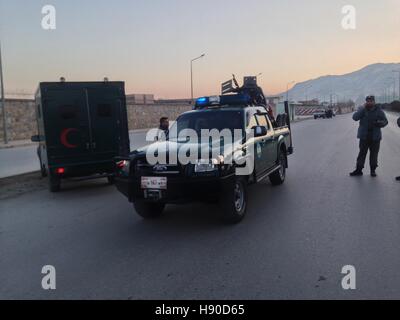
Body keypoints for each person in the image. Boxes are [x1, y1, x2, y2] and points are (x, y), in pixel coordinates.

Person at [350, 96, 388, 177]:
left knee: (374, 155)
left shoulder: (379, 111)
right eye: (368, 101)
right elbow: (355, 117)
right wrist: (362, 108)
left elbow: (385, 121)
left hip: (375, 137)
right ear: (366, 102)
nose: (369, 102)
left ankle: (373, 170)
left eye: (371, 101)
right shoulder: (363, 110)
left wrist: (380, 123)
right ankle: (358, 170)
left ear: (374, 102)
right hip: (364, 137)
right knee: (362, 154)